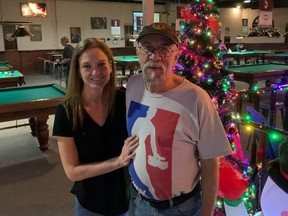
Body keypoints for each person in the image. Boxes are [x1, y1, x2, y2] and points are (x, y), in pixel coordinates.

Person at [126, 22, 232, 216]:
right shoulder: (132, 86)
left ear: (176, 55)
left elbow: (210, 165)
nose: (155, 56)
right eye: (147, 47)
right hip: (137, 202)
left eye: (164, 49)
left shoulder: (196, 98)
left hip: (179, 209)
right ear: (138, 52)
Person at [53, 38, 139, 216]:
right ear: (77, 70)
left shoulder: (125, 99)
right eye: (86, 66)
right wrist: (118, 161)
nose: (95, 72)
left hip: (126, 198)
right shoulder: (66, 111)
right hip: (90, 203)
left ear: (111, 66)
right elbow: (72, 172)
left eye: (101, 64)